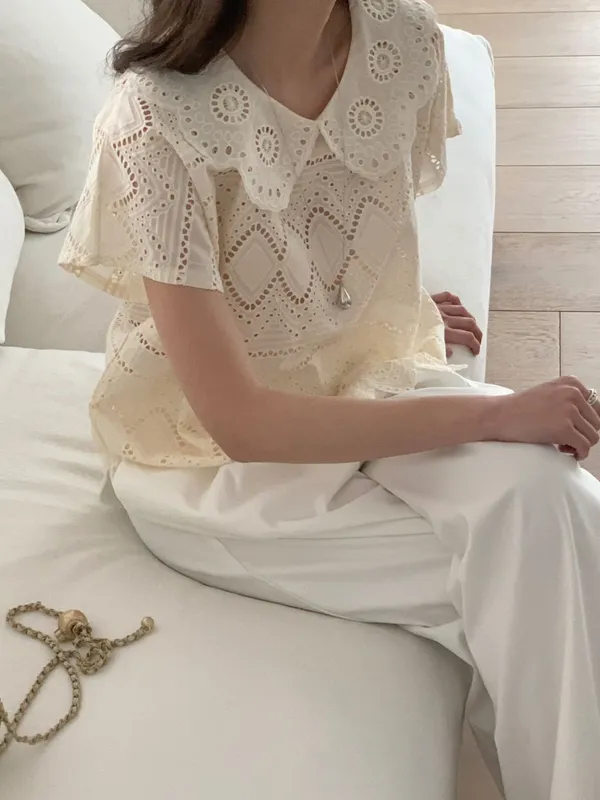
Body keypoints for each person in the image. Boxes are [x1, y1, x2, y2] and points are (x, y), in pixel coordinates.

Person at [59, 0, 600, 797]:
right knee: (545, 556)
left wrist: (382, 303)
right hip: (210, 471)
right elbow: (241, 424)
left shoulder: (400, 40)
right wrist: (494, 414)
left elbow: (320, 235)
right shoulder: (156, 121)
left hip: (368, 377)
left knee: (552, 501)